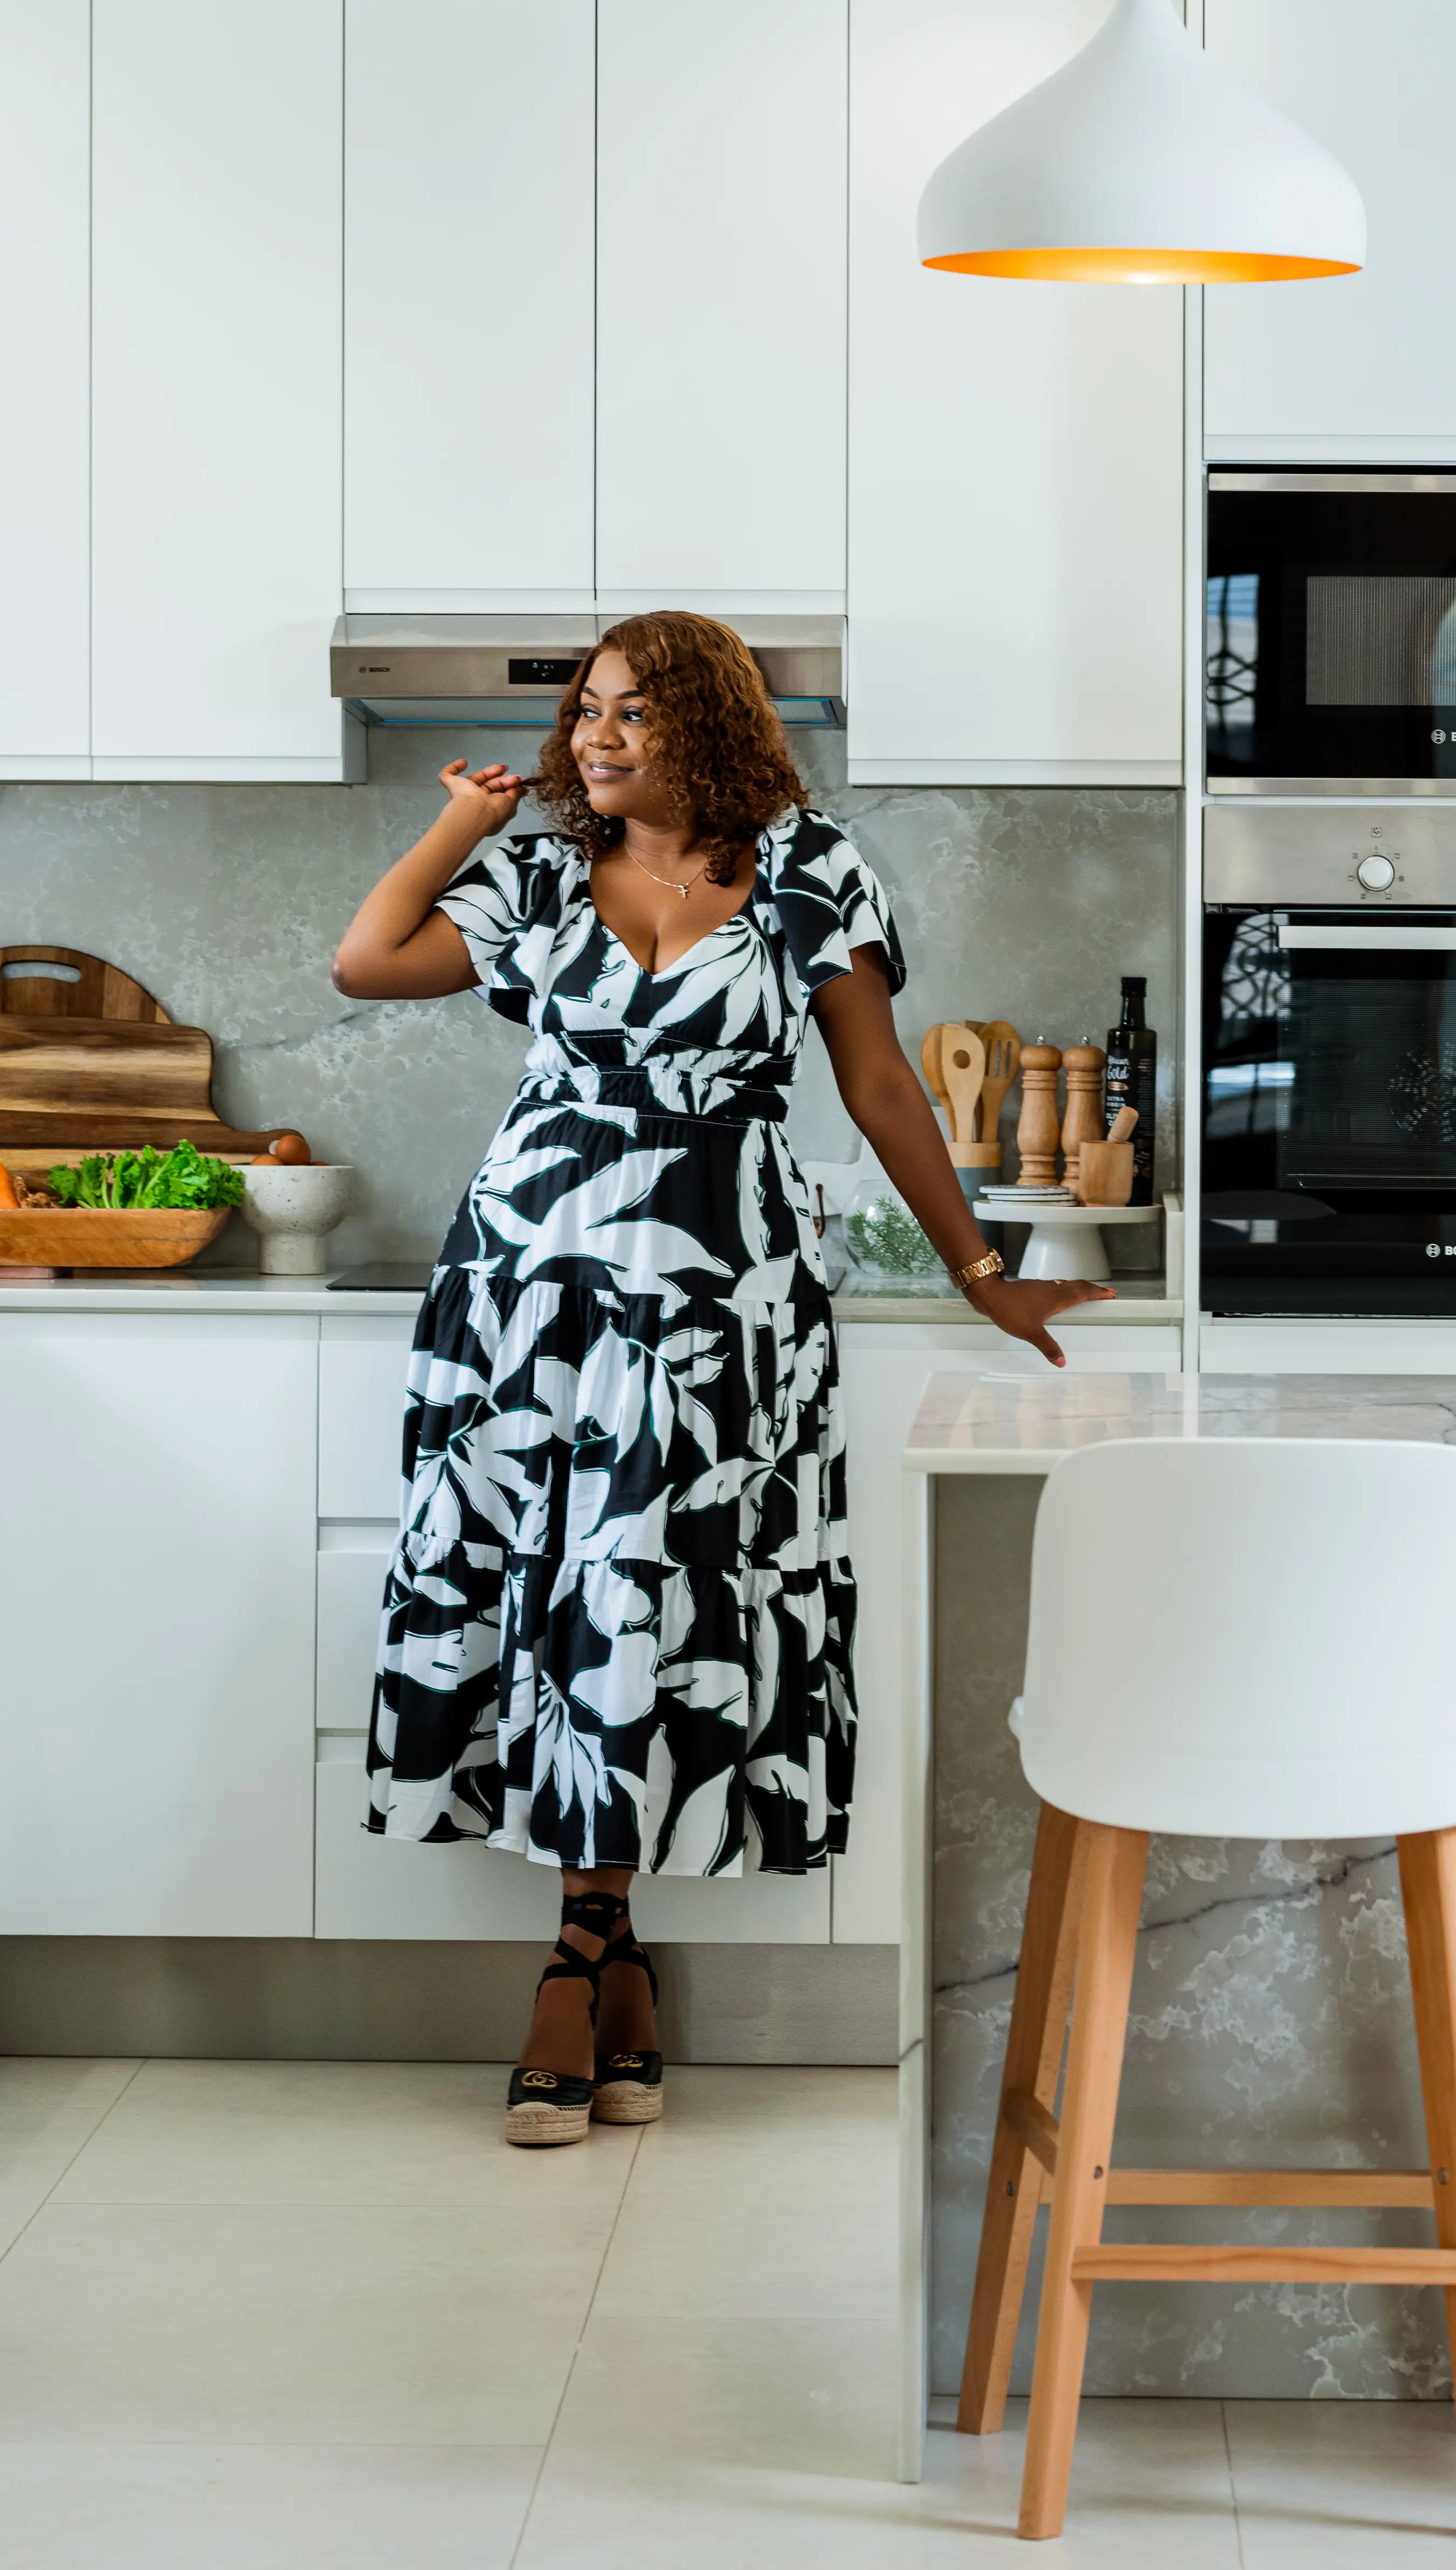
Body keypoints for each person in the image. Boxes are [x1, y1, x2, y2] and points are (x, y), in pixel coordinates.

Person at [332, 611, 1105, 2143]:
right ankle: (596, 1957)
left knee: (659, 1594)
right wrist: (454, 825)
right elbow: (367, 960)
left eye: (633, 714)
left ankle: (592, 1959)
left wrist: (984, 1273)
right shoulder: (541, 870)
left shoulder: (813, 870)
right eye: (586, 715)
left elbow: (879, 1083)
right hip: (529, 1288)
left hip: (719, 1290)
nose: (597, 739)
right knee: (548, 1599)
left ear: (711, 727)